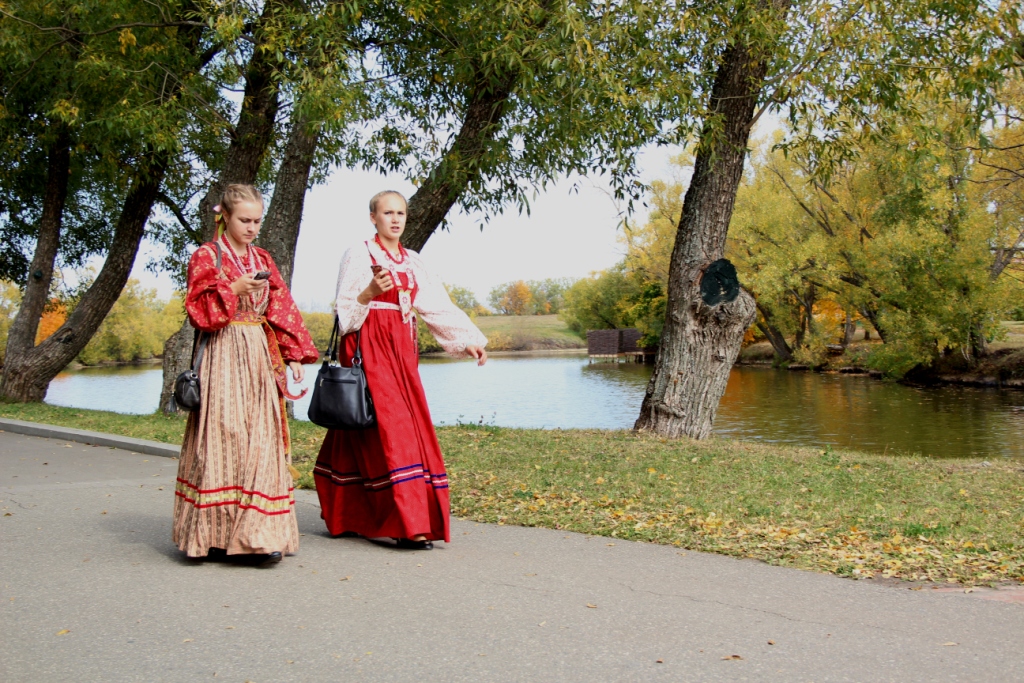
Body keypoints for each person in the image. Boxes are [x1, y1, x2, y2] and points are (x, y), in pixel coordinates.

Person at [313, 190, 488, 549]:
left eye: (401, 213)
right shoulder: (359, 254)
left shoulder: (412, 261)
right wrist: (369, 292)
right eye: (387, 213)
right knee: (395, 428)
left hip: (402, 350)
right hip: (368, 346)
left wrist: (466, 339)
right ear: (373, 217)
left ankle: (346, 512)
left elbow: (436, 305)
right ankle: (409, 524)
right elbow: (345, 314)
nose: (395, 219)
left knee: (360, 427)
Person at [173, 184, 318, 566]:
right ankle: (215, 537)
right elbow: (197, 309)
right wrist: (232, 288)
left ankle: (258, 536)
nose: (252, 227)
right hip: (221, 352)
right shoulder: (207, 256)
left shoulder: (262, 257)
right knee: (225, 437)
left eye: (257, 221)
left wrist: (293, 353)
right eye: (245, 220)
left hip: (257, 353)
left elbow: (281, 305)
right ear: (225, 216)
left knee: (261, 438)